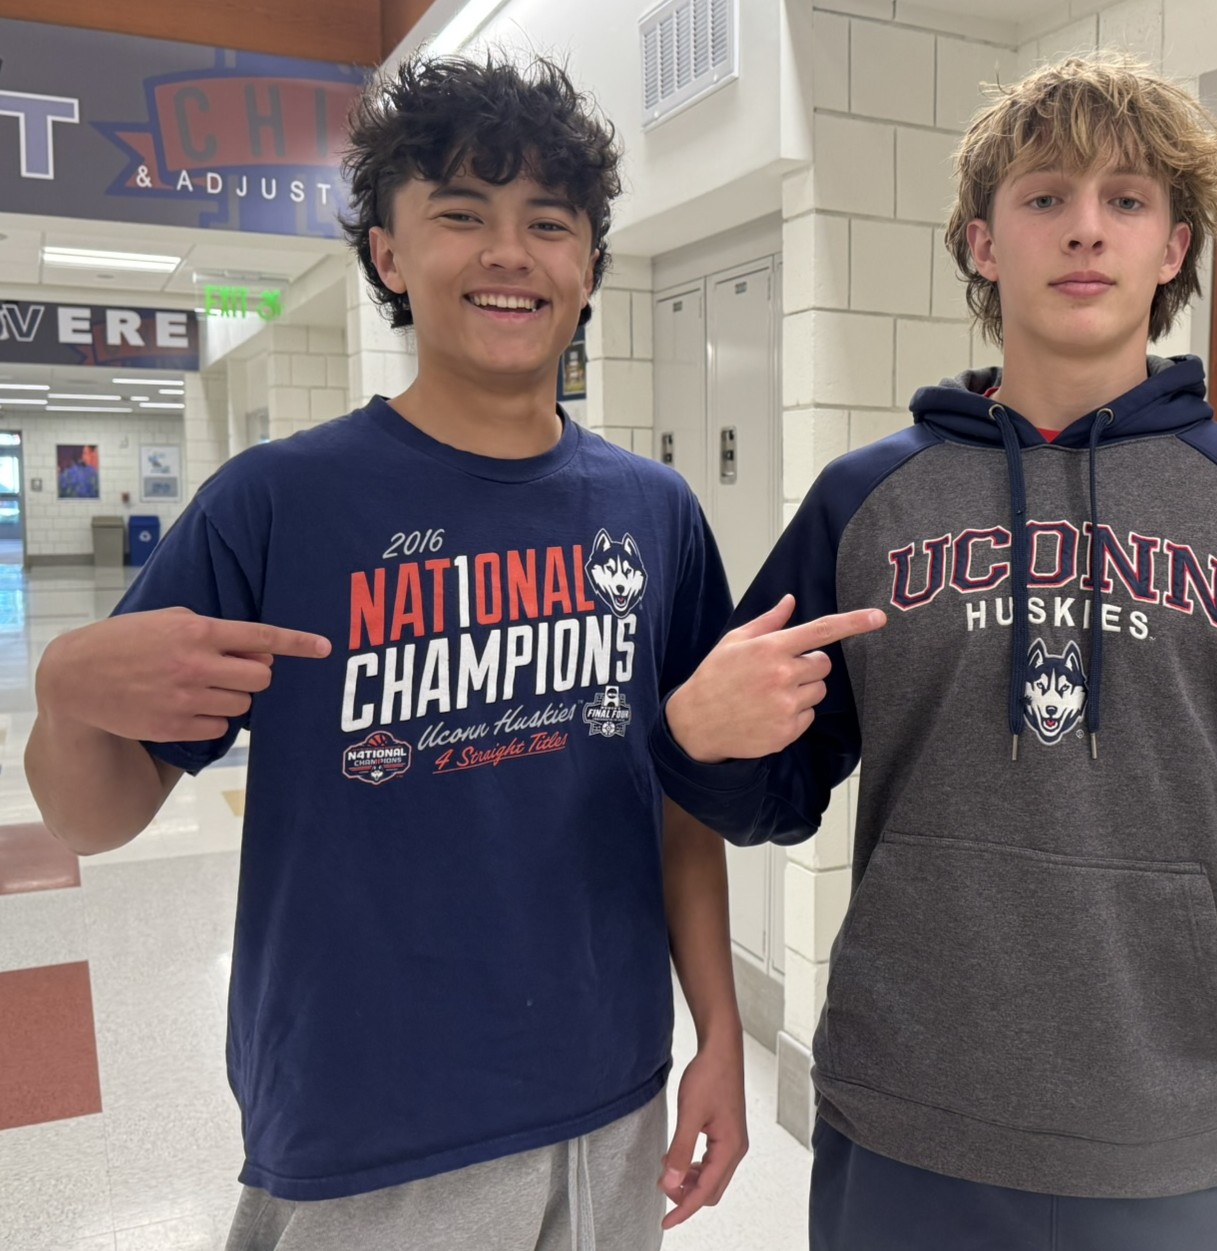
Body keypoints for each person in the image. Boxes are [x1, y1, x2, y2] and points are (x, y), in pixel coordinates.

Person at [649, 55, 1217, 1251]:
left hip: (1191, 1138)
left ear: (1173, 249)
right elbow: (773, 797)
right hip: (909, 1121)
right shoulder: (867, 500)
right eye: (1044, 196)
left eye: (1127, 201)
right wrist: (696, 737)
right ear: (981, 243)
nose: (1084, 231)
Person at [26, 55, 747, 1251]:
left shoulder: (655, 513)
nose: (509, 253)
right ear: (389, 256)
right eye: (461, 215)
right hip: (367, 1119)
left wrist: (717, 1033)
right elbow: (96, 820)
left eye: (548, 225)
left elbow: (680, 802)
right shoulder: (274, 504)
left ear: (588, 269)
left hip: (605, 1088)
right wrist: (67, 693)